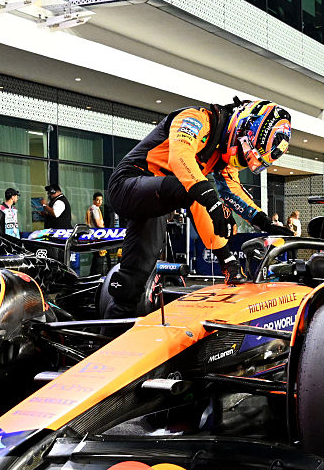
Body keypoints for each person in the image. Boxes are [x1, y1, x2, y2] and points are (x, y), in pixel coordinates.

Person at [104, 98, 292, 318]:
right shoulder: (195, 119)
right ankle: (228, 263)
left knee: (131, 285)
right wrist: (212, 203)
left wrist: (265, 222)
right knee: (194, 189)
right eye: (243, 154)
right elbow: (180, 157)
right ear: (241, 129)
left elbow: (232, 192)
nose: (239, 161)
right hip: (127, 184)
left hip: (156, 200)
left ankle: (111, 330)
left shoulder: (223, 153)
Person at [87, 192, 109, 275]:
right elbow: (98, 224)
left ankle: (93, 275)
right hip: (98, 236)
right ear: (94, 200)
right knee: (99, 258)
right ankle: (97, 276)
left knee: (96, 257)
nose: (100, 202)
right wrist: (104, 230)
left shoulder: (92, 208)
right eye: (97, 200)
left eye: (101, 200)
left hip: (94, 235)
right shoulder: (95, 209)